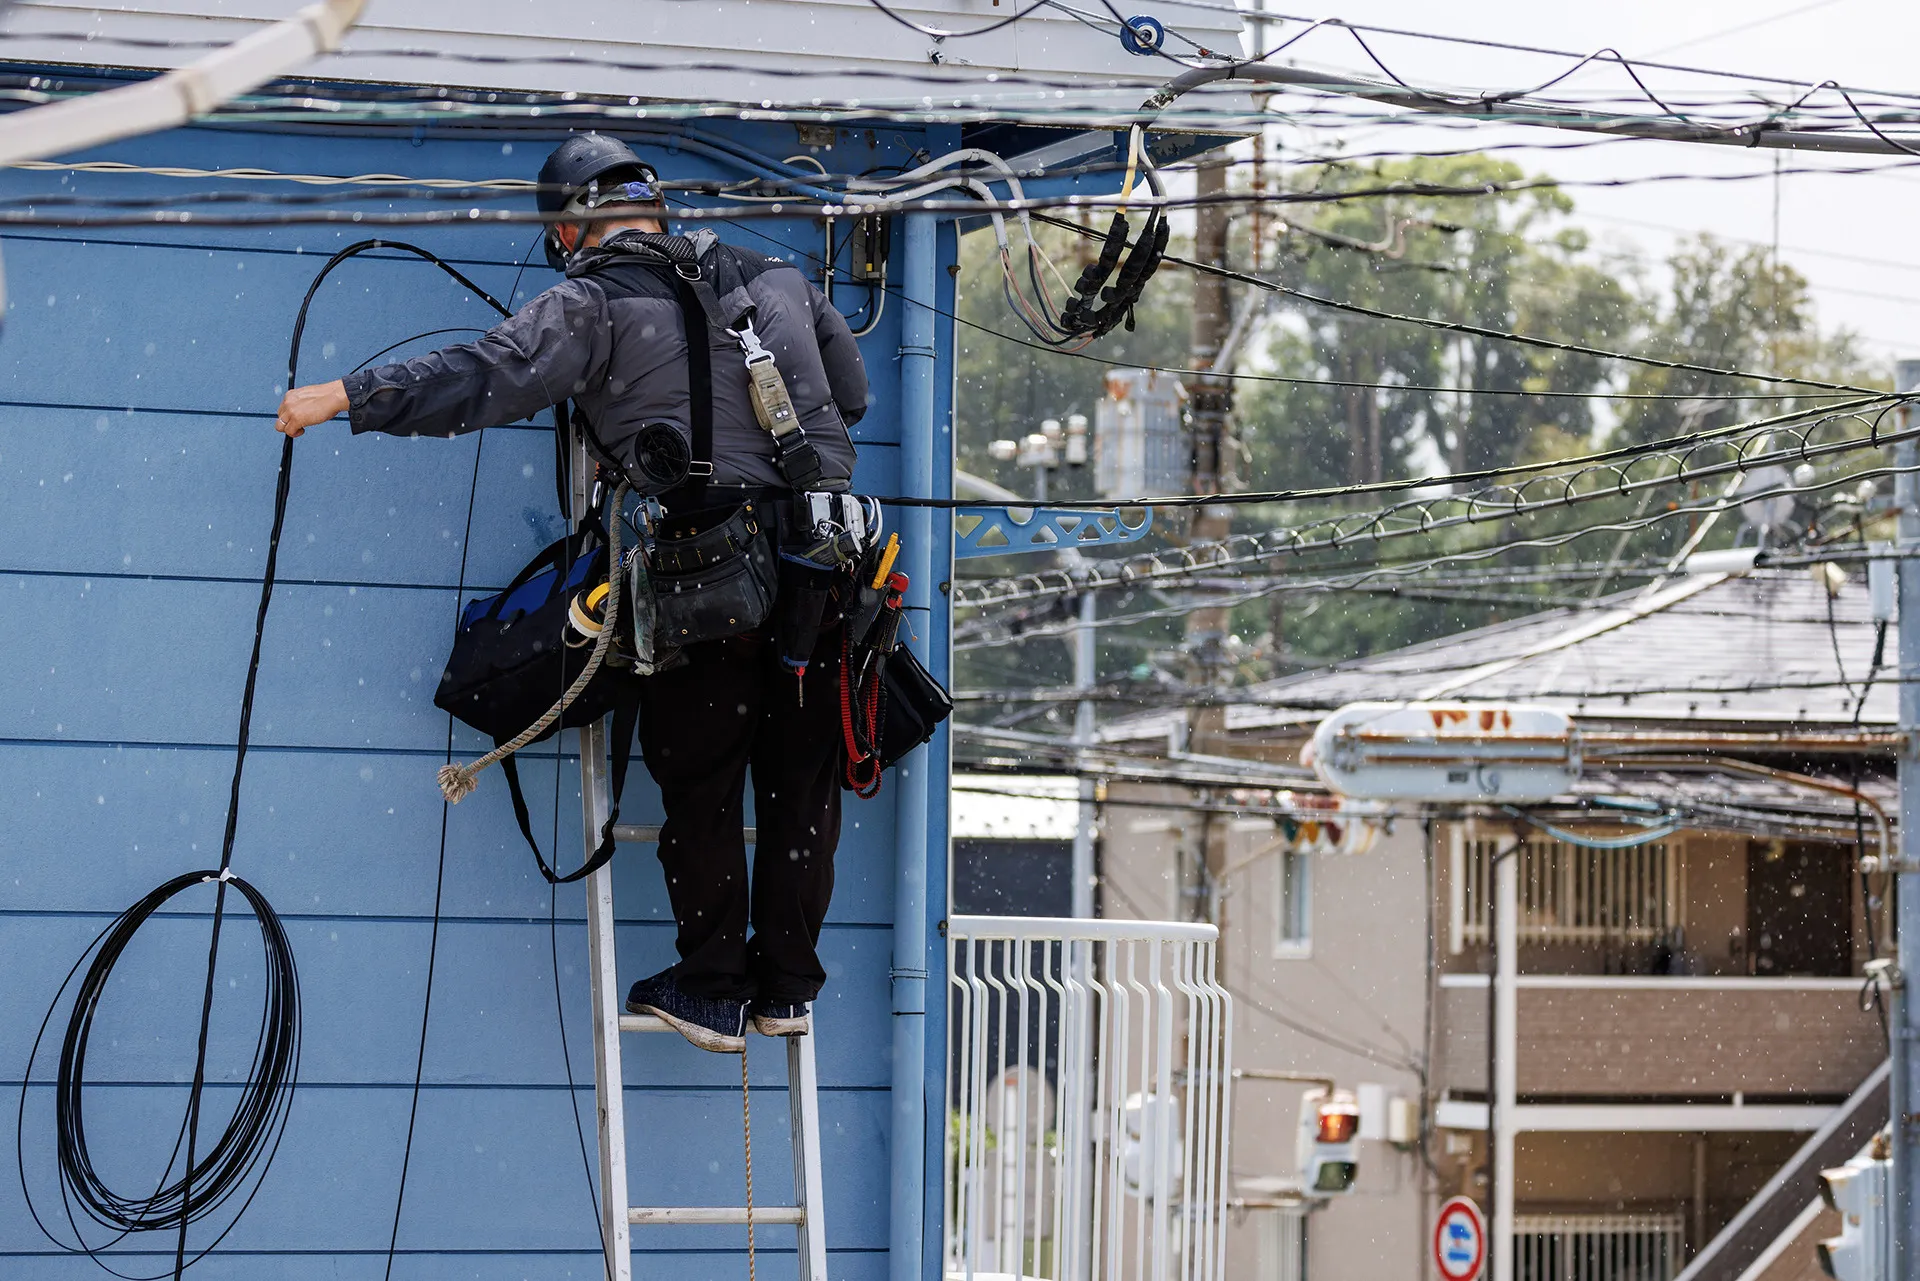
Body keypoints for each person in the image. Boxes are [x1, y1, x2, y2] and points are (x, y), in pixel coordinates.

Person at [275, 134, 870, 1054]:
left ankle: (713, 987)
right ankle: (788, 987)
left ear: (567, 230)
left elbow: (484, 378)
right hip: (826, 576)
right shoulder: (778, 279)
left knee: (703, 785)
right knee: (802, 790)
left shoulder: (593, 304)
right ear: (654, 205)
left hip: (707, 584)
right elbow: (852, 394)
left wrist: (351, 395)